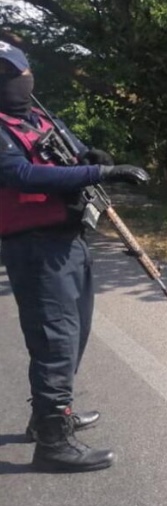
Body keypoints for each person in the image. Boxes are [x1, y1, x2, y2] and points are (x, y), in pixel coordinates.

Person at [0, 41, 151, 472]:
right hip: (34, 246)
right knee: (56, 340)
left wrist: (91, 156)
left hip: (69, 240)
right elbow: (20, 173)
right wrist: (102, 172)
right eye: (2, 76)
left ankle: (46, 416)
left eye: (14, 72)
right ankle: (53, 443)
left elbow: (73, 151)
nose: (12, 81)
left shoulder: (39, 117)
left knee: (75, 332)